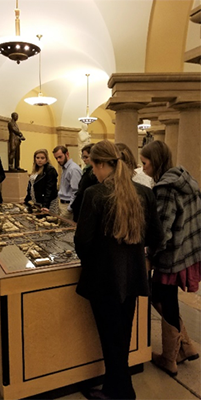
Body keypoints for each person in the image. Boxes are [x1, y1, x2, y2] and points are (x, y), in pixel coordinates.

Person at [74, 140, 163, 400]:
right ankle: (118, 389)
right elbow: (156, 236)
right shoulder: (143, 193)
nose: (94, 173)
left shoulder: (96, 194)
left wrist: (95, 259)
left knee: (110, 338)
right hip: (133, 276)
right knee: (121, 337)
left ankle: (121, 393)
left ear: (102, 164)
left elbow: (82, 242)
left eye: (94, 167)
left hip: (103, 279)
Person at [140, 140, 201, 376]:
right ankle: (185, 347)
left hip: (172, 255)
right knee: (167, 298)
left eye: (145, 163)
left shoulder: (165, 188)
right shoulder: (186, 180)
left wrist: (150, 251)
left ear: (155, 162)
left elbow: (162, 230)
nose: (143, 167)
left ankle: (169, 358)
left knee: (162, 298)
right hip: (187, 251)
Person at [24, 149, 58, 213]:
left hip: (47, 202)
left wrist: (45, 205)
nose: (39, 160)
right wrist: (26, 200)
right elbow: (31, 186)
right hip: (37, 201)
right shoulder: (35, 169)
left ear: (46, 159)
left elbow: (49, 188)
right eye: (37, 158)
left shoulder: (50, 170)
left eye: (42, 158)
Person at [52, 145, 82, 220]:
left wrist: (69, 208)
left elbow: (76, 191)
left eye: (60, 157)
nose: (58, 160)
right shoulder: (65, 168)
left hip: (68, 205)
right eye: (56, 158)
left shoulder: (73, 169)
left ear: (67, 154)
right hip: (62, 204)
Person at [71, 143, 98, 222]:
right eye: (83, 157)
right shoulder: (87, 170)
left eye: (86, 157)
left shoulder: (92, 172)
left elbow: (83, 191)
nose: (84, 160)